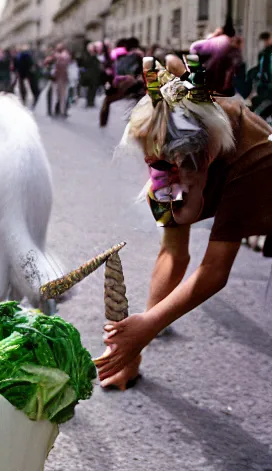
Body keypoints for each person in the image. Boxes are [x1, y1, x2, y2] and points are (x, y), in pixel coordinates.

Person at [96, 53, 272, 390]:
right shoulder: (169, 143)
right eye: (154, 164)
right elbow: (173, 253)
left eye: (168, 168)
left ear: (203, 160)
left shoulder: (251, 160)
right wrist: (134, 347)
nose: (161, 179)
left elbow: (214, 271)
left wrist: (146, 327)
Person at [99, 37, 144, 127]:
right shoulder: (138, 55)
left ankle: (103, 122)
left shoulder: (123, 55)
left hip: (124, 81)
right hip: (134, 81)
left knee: (107, 100)